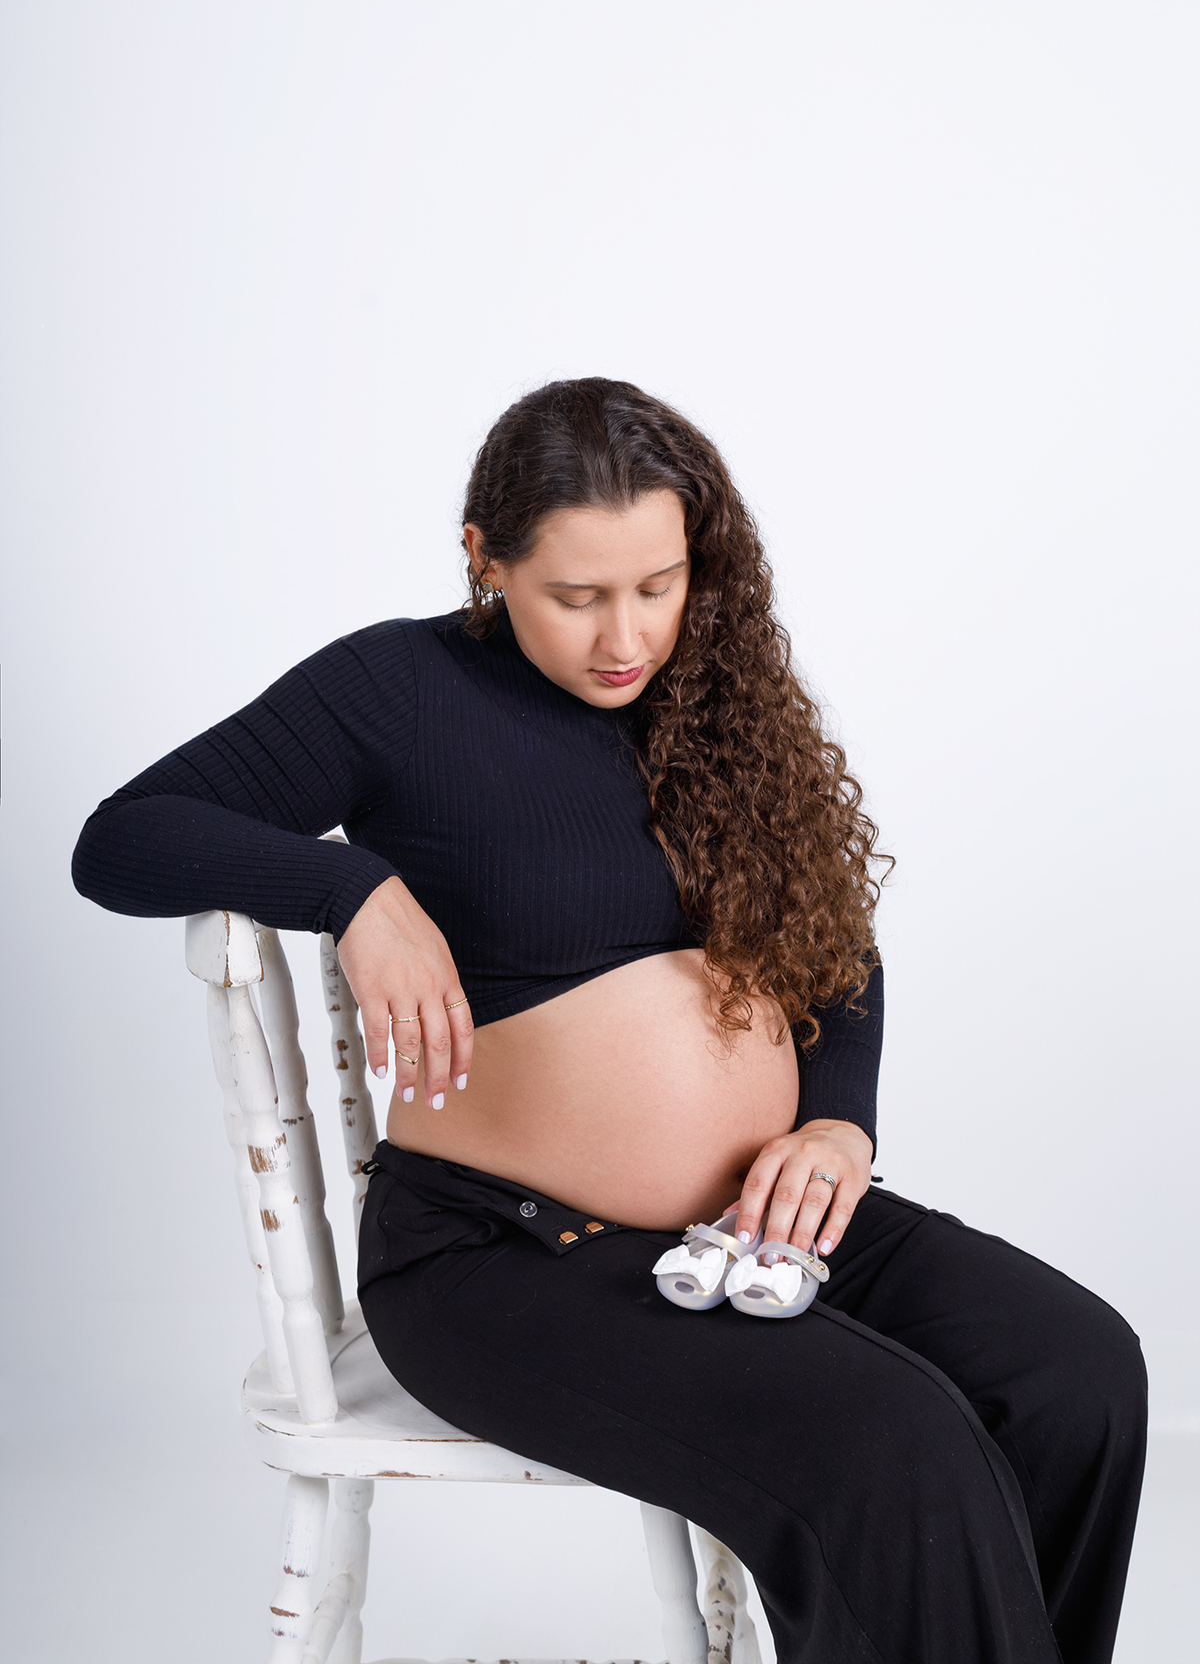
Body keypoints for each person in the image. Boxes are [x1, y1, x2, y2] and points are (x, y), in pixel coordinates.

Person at [73, 378, 1145, 1664]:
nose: (625, 636)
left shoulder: (720, 702)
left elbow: (834, 946)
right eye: (576, 596)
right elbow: (122, 838)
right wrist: (347, 889)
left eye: (658, 585)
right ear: (485, 557)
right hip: (499, 1258)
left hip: (751, 1227)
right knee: (890, 1445)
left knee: (1076, 1371)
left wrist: (838, 1125)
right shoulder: (399, 688)